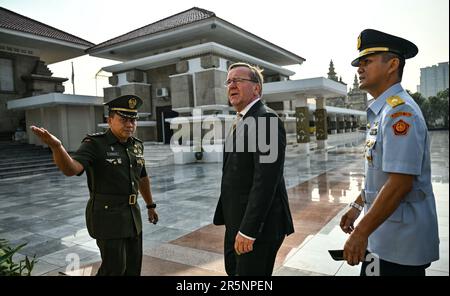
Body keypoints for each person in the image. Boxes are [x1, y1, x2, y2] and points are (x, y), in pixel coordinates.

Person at [339, 29, 439, 276]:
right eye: (359, 63)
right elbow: (380, 175)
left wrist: (360, 232)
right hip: (381, 236)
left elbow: (400, 182)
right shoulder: (383, 111)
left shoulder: (399, 112)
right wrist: (357, 205)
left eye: (367, 61)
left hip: (400, 244)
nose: (359, 68)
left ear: (393, 64)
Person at [30, 94, 158, 276]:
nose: (129, 125)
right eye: (123, 120)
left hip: (132, 215)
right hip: (108, 216)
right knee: (114, 269)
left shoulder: (136, 145)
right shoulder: (95, 144)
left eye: (133, 120)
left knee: (133, 267)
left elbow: (143, 177)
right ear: (110, 120)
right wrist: (57, 147)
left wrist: (150, 205)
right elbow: (72, 169)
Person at [213, 62, 294, 276]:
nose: (231, 85)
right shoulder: (240, 121)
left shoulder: (265, 120)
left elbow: (265, 182)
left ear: (256, 88)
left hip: (258, 229)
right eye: (228, 81)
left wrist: (248, 231)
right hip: (236, 223)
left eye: (238, 80)